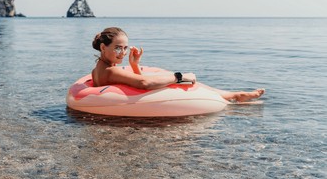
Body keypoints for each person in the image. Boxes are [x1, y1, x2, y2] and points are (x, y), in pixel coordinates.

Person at [91, 27, 265, 103]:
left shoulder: (97, 70)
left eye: (125, 48)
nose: (122, 52)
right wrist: (180, 76)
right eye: (117, 48)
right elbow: (144, 84)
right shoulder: (111, 71)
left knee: (186, 83)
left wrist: (135, 65)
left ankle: (234, 95)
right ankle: (235, 95)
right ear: (103, 47)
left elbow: (135, 81)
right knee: (187, 83)